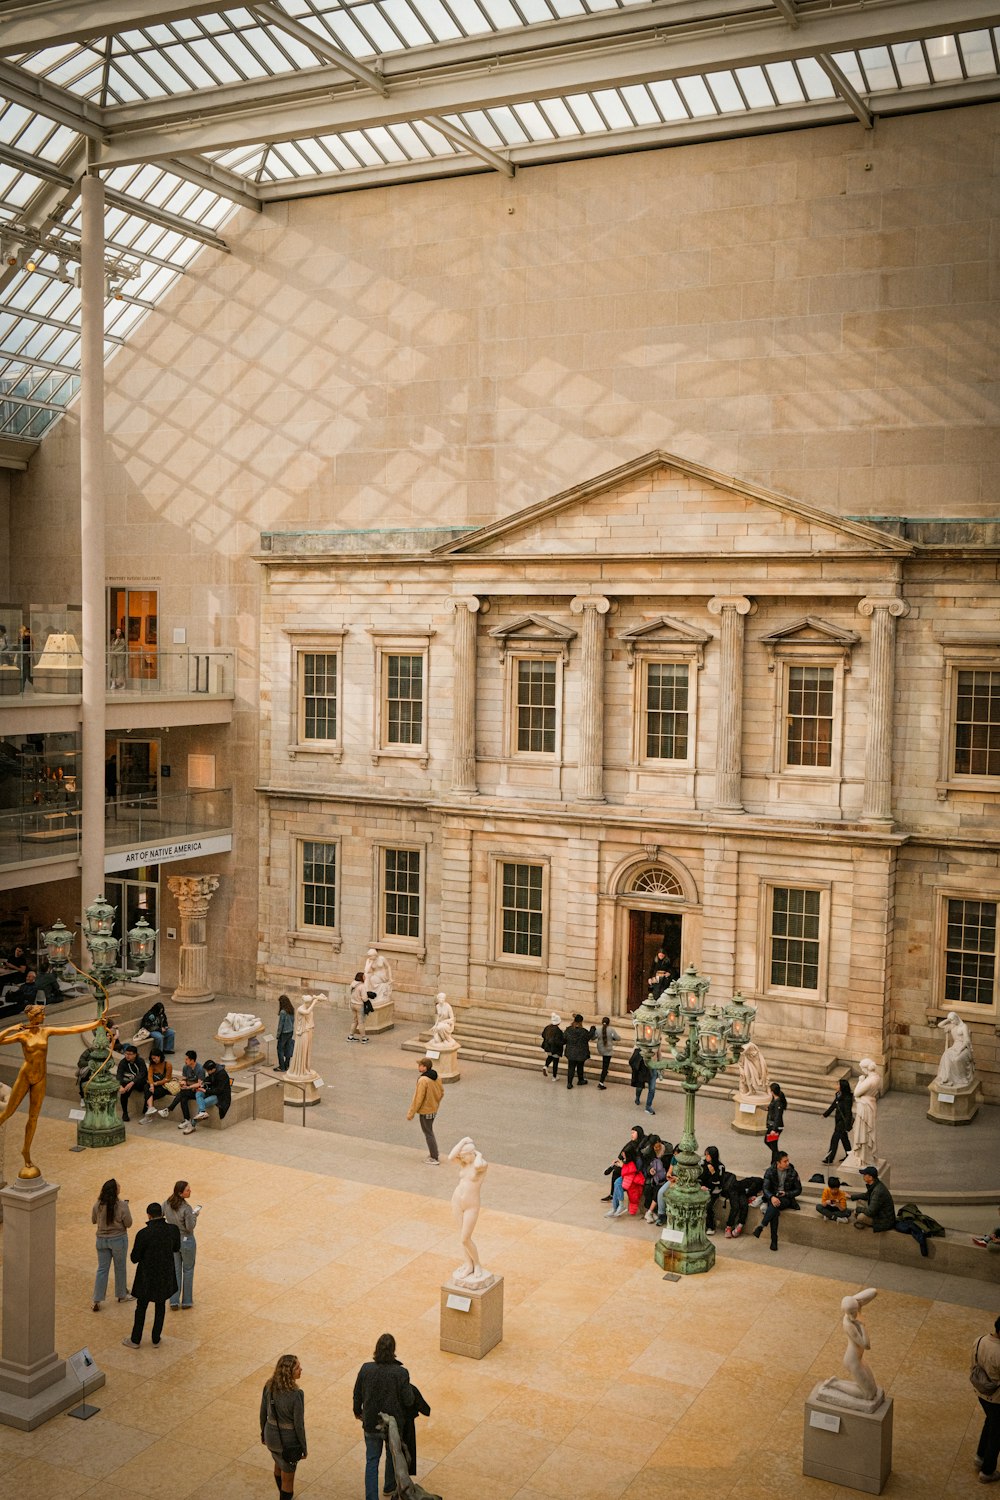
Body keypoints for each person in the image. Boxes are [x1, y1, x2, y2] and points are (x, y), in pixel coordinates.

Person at [0, 1003, 110, 1178]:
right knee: (8, 1113)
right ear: (33, 1017)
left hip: (40, 1077)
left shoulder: (46, 1031)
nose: (44, 1017)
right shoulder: (22, 1035)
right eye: (41, 1015)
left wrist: (96, 1024)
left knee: (33, 1117)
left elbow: (72, 1029)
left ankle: (26, 1151)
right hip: (25, 1076)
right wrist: (11, 1028)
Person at [354, 1334, 415, 1500]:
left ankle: (371, 1497)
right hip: (392, 1426)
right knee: (392, 1455)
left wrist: (357, 1412)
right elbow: (408, 1400)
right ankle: (389, 1486)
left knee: (372, 1461)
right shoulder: (401, 1373)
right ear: (393, 1350)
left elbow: (357, 1394)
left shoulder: (366, 1369)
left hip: (371, 1422)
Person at [122, 1202, 180, 1348]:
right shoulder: (172, 1230)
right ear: (161, 1213)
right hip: (164, 1274)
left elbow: (134, 1258)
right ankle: (156, 1338)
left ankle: (135, 1340)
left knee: (141, 1307)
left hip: (146, 1276)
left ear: (148, 1215)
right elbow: (176, 1248)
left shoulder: (143, 1234)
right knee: (160, 1306)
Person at [261, 1353, 307, 1497]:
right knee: (288, 1481)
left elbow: (263, 1412)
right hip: (288, 1442)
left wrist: (263, 1433)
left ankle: (280, 1492)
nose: (301, 1369)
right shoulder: (296, 1394)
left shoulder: (269, 1386)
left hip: (271, 1437)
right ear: (290, 1373)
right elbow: (299, 1425)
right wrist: (304, 1448)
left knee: (278, 1461)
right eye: (298, 1368)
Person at [91, 1177, 133, 1311]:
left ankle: (96, 1299)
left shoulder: (97, 1205)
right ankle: (121, 1294)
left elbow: (93, 1220)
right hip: (118, 1240)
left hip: (101, 1240)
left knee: (102, 1269)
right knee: (120, 1267)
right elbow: (129, 1223)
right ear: (115, 1191)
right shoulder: (122, 1206)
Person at [752, 1149, 801, 1251]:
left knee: (774, 1206)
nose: (788, 1163)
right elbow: (765, 1188)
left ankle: (761, 1227)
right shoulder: (770, 1171)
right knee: (774, 1209)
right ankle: (774, 1240)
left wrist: (787, 1193)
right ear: (778, 1163)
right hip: (773, 1197)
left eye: (788, 1160)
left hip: (786, 1198)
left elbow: (799, 1189)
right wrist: (772, 1197)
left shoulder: (792, 1172)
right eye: (785, 1161)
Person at [163, 1179, 199, 1309]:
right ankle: (187, 1301)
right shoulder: (187, 1208)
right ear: (180, 1193)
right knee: (188, 1270)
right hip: (186, 1241)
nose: (190, 1191)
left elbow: (161, 1215)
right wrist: (194, 1216)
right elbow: (190, 1227)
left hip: (173, 1240)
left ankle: (174, 1300)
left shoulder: (166, 1203)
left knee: (176, 1270)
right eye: (187, 1190)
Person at [972, 1314, 1000, 1483]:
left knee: (991, 1422)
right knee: (997, 1434)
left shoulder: (980, 1340)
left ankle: (980, 1456)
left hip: (981, 1393)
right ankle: (987, 1471)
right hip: (997, 1398)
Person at [406, 1057, 443, 1164]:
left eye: (420, 1065)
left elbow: (418, 1098)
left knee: (428, 1133)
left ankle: (434, 1156)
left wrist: (411, 1113)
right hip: (433, 1109)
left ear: (425, 1067)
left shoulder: (423, 1080)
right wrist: (435, 1103)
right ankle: (434, 1152)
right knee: (429, 1131)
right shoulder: (437, 1077)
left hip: (425, 1110)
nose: (418, 1067)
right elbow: (441, 1092)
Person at [160, 1049, 205, 1126]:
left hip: (197, 1091)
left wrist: (188, 1087)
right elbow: (184, 1078)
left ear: (192, 1060)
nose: (185, 1061)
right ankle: (187, 1120)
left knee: (183, 1093)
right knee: (183, 1098)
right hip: (187, 1090)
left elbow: (199, 1084)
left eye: (187, 1059)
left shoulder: (200, 1069)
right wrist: (183, 1083)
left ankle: (169, 1109)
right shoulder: (185, 1067)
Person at [189, 1057, 231, 1130]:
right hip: (212, 1091)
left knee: (203, 1103)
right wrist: (202, 1083)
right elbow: (210, 1079)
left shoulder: (222, 1075)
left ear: (212, 1069)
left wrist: (205, 1091)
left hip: (220, 1096)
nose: (207, 1073)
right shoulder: (214, 1071)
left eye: (207, 1071)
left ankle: (192, 1125)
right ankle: (202, 1112)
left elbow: (219, 1091)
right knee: (198, 1093)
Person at [852, 1165, 896, 1232]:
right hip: (878, 1212)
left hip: (884, 1221)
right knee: (859, 1200)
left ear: (870, 1177)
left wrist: (858, 1209)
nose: (863, 1176)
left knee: (860, 1217)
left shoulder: (878, 1191)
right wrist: (852, 1197)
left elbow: (870, 1212)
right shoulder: (875, 1184)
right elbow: (866, 1195)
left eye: (864, 1175)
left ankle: (867, 1222)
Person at [822, 1077, 854, 1163]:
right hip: (838, 1120)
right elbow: (833, 1105)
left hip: (842, 1123)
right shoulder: (838, 1095)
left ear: (842, 1087)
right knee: (844, 1139)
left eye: (838, 1084)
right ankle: (850, 1155)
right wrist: (826, 1114)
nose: (836, 1086)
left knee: (834, 1139)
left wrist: (847, 1126)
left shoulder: (847, 1099)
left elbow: (848, 1113)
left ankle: (829, 1158)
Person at [116, 1044, 150, 1122]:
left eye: (130, 1054)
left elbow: (142, 1073)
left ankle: (146, 1107)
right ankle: (125, 1113)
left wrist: (132, 1082)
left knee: (145, 1086)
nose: (127, 1056)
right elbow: (119, 1075)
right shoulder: (123, 1062)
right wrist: (120, 1085)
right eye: (126, 1053)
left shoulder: (140, 1061)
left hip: (141, 1082)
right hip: (129, 1081)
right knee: (124, 1091)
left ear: (135, 1055)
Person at [563, 1014, 595, 1090]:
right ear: (581, 1022)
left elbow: (564, 1038)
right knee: (580, 1066)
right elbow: (589, 1036)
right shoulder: (583, 1031)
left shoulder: (569, 1030)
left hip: (570, 1052)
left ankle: (569, 1083)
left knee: (571, 1067)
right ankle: (580, 1080)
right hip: (581, 1052)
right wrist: (593, 1029)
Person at [701, 1145, 726, 1236]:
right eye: (705, 1155)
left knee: (708, 1206)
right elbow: (700, 1178)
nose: (706, 1157)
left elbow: (719, 1182)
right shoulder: (703, 1164)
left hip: (714, 1190)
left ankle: (711, 1226)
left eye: (708, 1155)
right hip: (702, 1188)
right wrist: (701, 1186)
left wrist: (713, 1172)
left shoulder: (720, 1167)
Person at [143, 1048, 173, 1115]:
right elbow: (150, 1076)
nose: (154, 1060)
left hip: (164, 1086)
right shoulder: (152, 1064)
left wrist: (155, 1084)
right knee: (146, 1086)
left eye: (155, 1058)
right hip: (154, 1085)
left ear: (159, 1056)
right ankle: (150, 1107)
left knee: (148, 1094)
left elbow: (167, 1079)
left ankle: (147, 1111)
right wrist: (151, 1085)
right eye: (152, 1058)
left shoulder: (168, 1064)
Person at [594, 1017, 620, 1089]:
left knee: (604, 1061)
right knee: (605, 1066)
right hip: (608, 1050)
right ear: (609, 1023)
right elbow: (618, 1038)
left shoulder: (598, 1029)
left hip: (600, 1049)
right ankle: (601, 1083)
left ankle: (605, 1071)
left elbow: (593, 1037)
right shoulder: (611, 1030)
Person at [765, 1081, 787, 1162]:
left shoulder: (778, 1103)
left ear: (772, 1092)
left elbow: (778, 1116)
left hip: (775, 1127)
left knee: (773, 1145)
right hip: (771, 1125)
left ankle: (776, 1160)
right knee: (768, 1141)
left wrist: (774, 1129)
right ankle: (777, 1157)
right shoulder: (774, 1100)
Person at [541, 1012, 564, 1079]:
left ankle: (545, 1066)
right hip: (555, 1049)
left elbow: (543, 1035)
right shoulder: (558, 1031)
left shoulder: (547, 1027)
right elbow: (559, 1041)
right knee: (555, 1062)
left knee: (549, 1057)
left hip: (547, 1047)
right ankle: (554, 1076)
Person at [347, 972, 369, 1043]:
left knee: (354, 1021)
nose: (365, 978)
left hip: (352, 1004)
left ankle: (350, 1036)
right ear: (361, 978)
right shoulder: (362, 986)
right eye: (364, 977)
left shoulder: (353, 983)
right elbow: (365, 998)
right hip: (359, 1005)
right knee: (361, 1022)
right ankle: (363, 1038)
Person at [276, 993, 296, 1069]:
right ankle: (287, 1065)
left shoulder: (283, 1012)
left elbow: (280, 1025)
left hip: (284, 1033)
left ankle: (282, 1066)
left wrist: (278, 1035)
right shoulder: (291, 1009)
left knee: (280, 1049)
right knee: (288, 1047)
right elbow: (293, 1020)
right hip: (290, 1031)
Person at [629, 1044, 651, 1109]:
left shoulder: (637, 1046)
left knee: (640, 1084)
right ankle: (639, 1098)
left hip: (639, 1067)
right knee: (642, 1085)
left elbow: (631, 1057)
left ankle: (638, 1098)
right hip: (642, 1067)